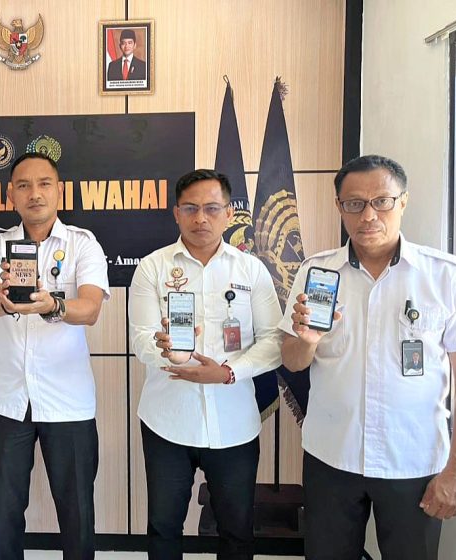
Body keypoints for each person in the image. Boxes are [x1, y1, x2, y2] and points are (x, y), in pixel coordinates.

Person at [280, 155, 456, 560]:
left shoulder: (446, 276)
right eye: (354, 203)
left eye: (382, 201)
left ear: (403, 202)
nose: (368, 215)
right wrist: (307, 339)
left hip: (414, 462)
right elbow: (293, 361)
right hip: (331, 459)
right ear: (340, 207)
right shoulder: (316, 272)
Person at [129, 169, 283, 559]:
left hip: (234, 424)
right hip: (167, 421)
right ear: (176, 213)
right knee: (163, 528)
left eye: (212, 208)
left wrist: (229, 373)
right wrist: (170, 354)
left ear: (229, 213)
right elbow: (141, 339)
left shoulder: (251, 270)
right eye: (190, 208)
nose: (201, 218)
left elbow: (274, 342)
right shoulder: (152, 267)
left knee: (237, 531)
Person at [0, 152, 110, 559]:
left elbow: (91, 308)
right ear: (10, 195)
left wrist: (54, 306)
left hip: (68, 401)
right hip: (5, 400)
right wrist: (0, 298)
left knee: (78, 514)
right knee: (3, 514)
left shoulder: (83, 244)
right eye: (24, 185)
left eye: (44, 183)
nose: (35, 193)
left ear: (59, 190)